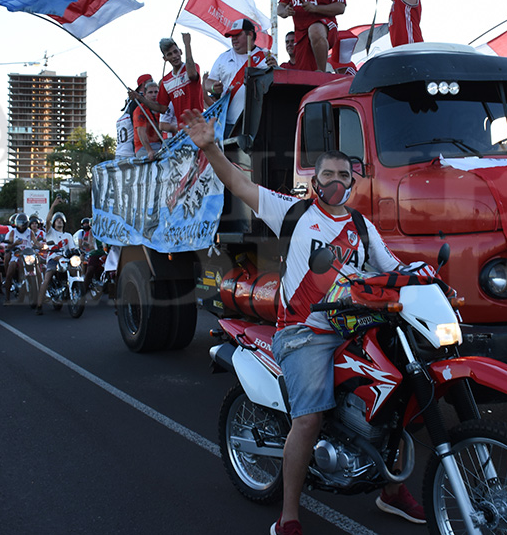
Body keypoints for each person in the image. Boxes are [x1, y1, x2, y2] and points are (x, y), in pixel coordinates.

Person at [181, 109, 426, 535]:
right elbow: (239, 183)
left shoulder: (362, 227)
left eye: (343, 175)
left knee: (403, 393)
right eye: (328, 174)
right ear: (315, 180)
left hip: (354, 329)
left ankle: (391, 491)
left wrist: (427, 274)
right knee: (309, 418)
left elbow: (395, 268)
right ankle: (289, 515)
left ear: (353, 182)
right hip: (303, 334)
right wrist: (210, 148)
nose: (336, 182)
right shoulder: (292, 213)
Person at [205, 18, 277, 135]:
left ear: (250, 34)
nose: (233, 38)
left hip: (257, 121)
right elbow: (208, 82)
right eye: (232, 36)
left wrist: (275, 69)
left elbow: (275, 83)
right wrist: (213, 87)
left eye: (237, 35)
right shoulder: (223, 58)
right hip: (228, 123)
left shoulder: (265, 56)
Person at [277, 0, 346, 72]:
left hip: (326, 27)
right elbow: (280, 8)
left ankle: (322, 71)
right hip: (301, 35)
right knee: (305, 74)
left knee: (315, 30)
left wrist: (315, 8)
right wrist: (285, 11)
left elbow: (340, 7)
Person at [35, 198, 75, 314]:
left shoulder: (68, 235)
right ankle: (39, 305)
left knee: (77, 269)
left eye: (61, 220)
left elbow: (72, 248)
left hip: (66, 260)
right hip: (53, 259)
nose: (59, 222)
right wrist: (53, 205)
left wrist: (77, 252)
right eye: (57, 220)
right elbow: (47, 220)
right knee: (46, 279)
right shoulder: (50, 232)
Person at [2, 212, 39, 303]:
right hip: (17, 255)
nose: (21, 226)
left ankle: (42, 291)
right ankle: (7, 297)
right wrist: (15, 244)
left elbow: (35, 242)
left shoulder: (30, 232)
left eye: (23, 223)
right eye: (19, 223)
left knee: (38, 270)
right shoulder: (13, 232)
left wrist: (41, 246)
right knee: (10, 271)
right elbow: (8, 246)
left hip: (28, 255)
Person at [133, 79, 164, 157]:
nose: (154, 95)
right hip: (144, 147)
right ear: (144, 94)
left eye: (156, 92)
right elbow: (141, 132)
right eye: (150, 92)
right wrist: (149, 151)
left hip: (160, 144)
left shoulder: (161, 107)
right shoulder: (140, 110)